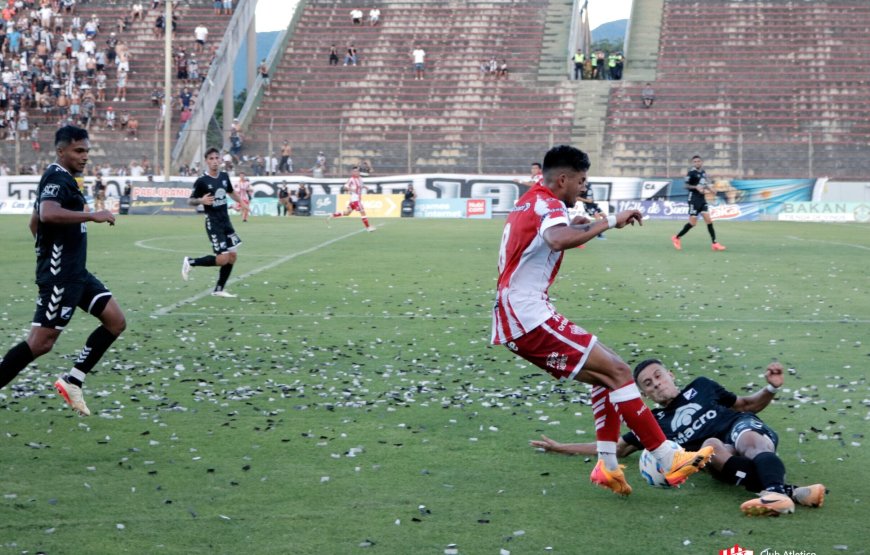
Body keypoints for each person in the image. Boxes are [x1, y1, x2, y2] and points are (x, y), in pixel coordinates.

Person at [491, 145, 712, 496]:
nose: (584, 187)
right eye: (581, 180)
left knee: (609, 375)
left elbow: (542, 236)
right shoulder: (549, 204)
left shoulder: (531, 200)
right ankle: (667, 457)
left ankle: (607, 466)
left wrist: (578, 224)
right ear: (563, 179)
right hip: (527, 315)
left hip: (523, 312)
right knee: (620, 373)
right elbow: (556, 239)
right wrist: (609, 221)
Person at [530, 360, 826, 516]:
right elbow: (616, 449)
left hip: (741, 428)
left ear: (670, 374)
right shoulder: (651, 422)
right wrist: (561, 447)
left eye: (658, 376)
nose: (657, 384)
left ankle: (775, 492)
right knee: (710, 447)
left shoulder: (703, 386)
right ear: (645, 394)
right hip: (719, 459)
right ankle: (792, 493)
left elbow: (747, 405)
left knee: (748, 440)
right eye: (648, 384)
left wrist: (771, 388)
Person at [0, 126, 126, 416]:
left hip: (76, 273)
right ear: (61, 151)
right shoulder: (57, 176)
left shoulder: (65, 178)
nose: (85, 156)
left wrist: (47, 250)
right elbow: (46, 213)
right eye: (78, 151)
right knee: (40, 343)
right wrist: (91, 215)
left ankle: (73, 380)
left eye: (87, 151)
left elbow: (34, 222)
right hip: (61, 277)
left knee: (115, 321)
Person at [181, 148, 243, 297]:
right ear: (206, 161)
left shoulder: (224, 176)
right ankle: (191, 262)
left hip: (226, 222)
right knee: (222, 259)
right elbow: (190, 201)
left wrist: (242, 202)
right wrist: (201, 200)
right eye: (211, 158)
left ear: (220, 160)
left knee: (232, 256)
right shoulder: (202, 181)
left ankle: (219, 289)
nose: (215, 161)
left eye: (217, 158)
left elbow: (230, 192)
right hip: (214, 223)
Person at [671, 155, 726, 251]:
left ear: (701, 162)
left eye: (698, 161)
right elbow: (686, 186)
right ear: (693, 163)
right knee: (692, 223)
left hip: (702, 199)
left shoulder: (703, 173)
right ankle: (676, 237)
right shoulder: (691, 173)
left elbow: (704, 184)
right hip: (693, 199)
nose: (697, 163)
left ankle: (714, 243)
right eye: (695, 161)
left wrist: (711, 189)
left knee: (709, 221)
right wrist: (695, 187)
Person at [329, 166, 374, 231]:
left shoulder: (360, 178)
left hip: (353, 200)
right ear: (352, 172)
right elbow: (345, 187)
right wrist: (351, 189)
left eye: (357, 171)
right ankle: (368, 227)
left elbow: (361, 185)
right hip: (355, 200)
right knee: (362, 212)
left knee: (347, 213)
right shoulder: (351, 179)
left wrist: (365, 187)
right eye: (355, 171)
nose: (356, 172)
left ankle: (333, 215)